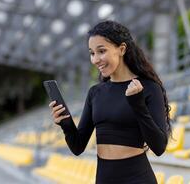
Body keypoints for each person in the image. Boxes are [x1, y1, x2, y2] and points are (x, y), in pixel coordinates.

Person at [49, 20, 172, 184]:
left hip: (137, 179)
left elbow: (159, 147)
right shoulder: (96, 93)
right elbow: (78, 147)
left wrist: (138, 104)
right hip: (104, 178)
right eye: (92, 53)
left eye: (101, 51)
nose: (95, 59)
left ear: (121, 49)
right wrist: (65, 123)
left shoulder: (148, 88)